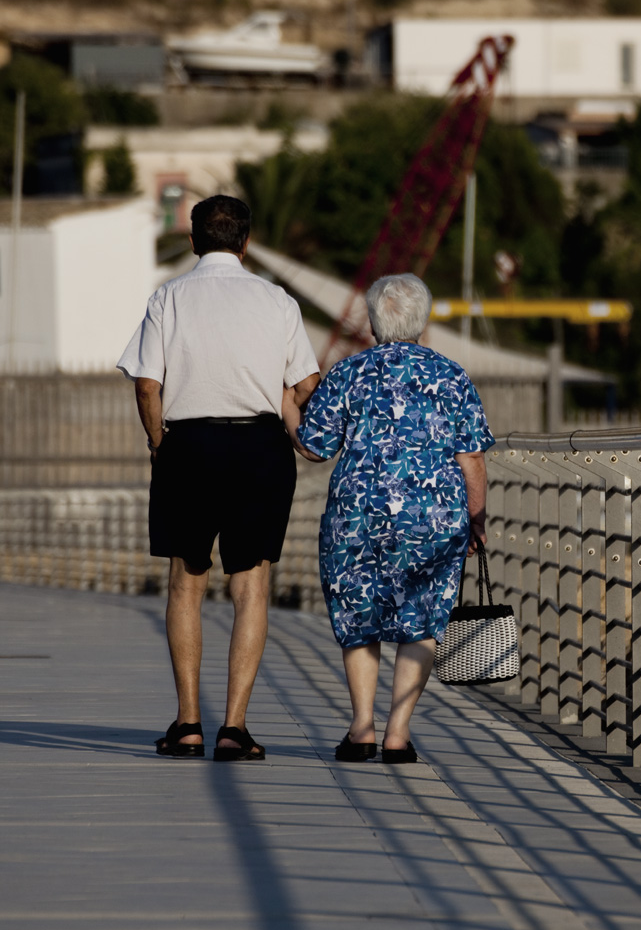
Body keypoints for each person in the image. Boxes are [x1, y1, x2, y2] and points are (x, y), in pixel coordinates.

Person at [117, 195, 320, 760]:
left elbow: (145, 383)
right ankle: (234, 727)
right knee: (250, 586)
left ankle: (187, 725)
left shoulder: (168, 297)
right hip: (258, 448)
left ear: (192, 240)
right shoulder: (277, 301)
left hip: (189, 445)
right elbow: (304, 384)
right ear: (246, 242)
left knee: (186, 582)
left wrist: (160, 443)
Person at [283, 273, 494, 763]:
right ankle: (398, 733)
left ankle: (362, 728)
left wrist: (285, 408)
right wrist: (477, 519)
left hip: (357, 519)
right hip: (434, 518)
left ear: (375, 321)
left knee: (360, 618)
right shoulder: (451, 376)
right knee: (419, 621)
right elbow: (473, 459)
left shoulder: (348, 372)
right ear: (423, 320)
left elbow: (315, 447)